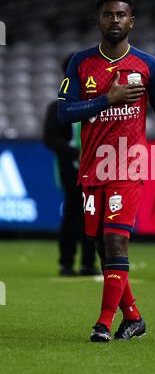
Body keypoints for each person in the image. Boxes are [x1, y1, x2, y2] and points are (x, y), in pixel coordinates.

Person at [57, 0, 155, 342]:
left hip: (127, 165)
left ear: (132, 21)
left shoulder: (148, 65)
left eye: (121, 14)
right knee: (99, 243)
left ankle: (102, 324)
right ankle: (134, 317)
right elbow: (63, 113)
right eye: (108, 14)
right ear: (98, 20)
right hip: (92, 168)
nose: (115, 20)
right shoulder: (81, 63)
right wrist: (104, 99)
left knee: (114, 242)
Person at [43, 56, 97, 277]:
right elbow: (50, 138)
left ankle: (87, 263)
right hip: (71, 168)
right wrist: (75, 152)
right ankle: (66, 263)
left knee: (91, 215)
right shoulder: (58, 107)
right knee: (73, 213)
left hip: (95, 168)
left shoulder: (95, 104)